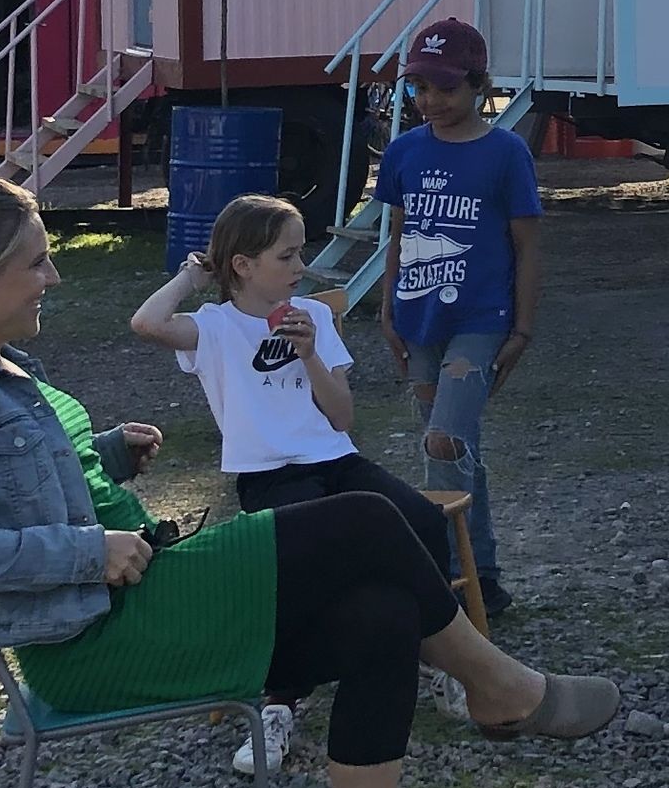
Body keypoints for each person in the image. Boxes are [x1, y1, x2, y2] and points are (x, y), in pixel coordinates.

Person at [0, 168, 618, 788]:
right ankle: (501, 686)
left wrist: (110, 458)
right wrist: (87, 551)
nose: (53, 276)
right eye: (38, 262)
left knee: (383, 619)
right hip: (88, 645)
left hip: (143, 595)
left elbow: (32, 490)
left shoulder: (14, 367)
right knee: (365, 518)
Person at [131, 193, 460, 567]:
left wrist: (310, 355)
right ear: (243, 265)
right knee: (328, 547)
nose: (300, 267)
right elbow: (146, 323)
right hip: (269, 475)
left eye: (301, 252)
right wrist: (190, 277)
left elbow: (342, 419)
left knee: (423, 521)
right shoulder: (216, 326)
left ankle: (426, 622)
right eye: (286, 256)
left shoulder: (314, 315)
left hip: (336, 460)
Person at [369, 16, 543, 619]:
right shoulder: (403, 152)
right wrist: (387, 311)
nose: (430, 102)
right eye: (419, 88)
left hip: (481, 318)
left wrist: (521, 328)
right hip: (418, 318)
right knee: (454, 448)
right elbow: (398, 234)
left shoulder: (506, 153)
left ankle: (450, 578)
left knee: (444, 443)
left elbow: (527, 246)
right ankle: (483, 576)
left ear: (477, 85)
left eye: (445, 88)